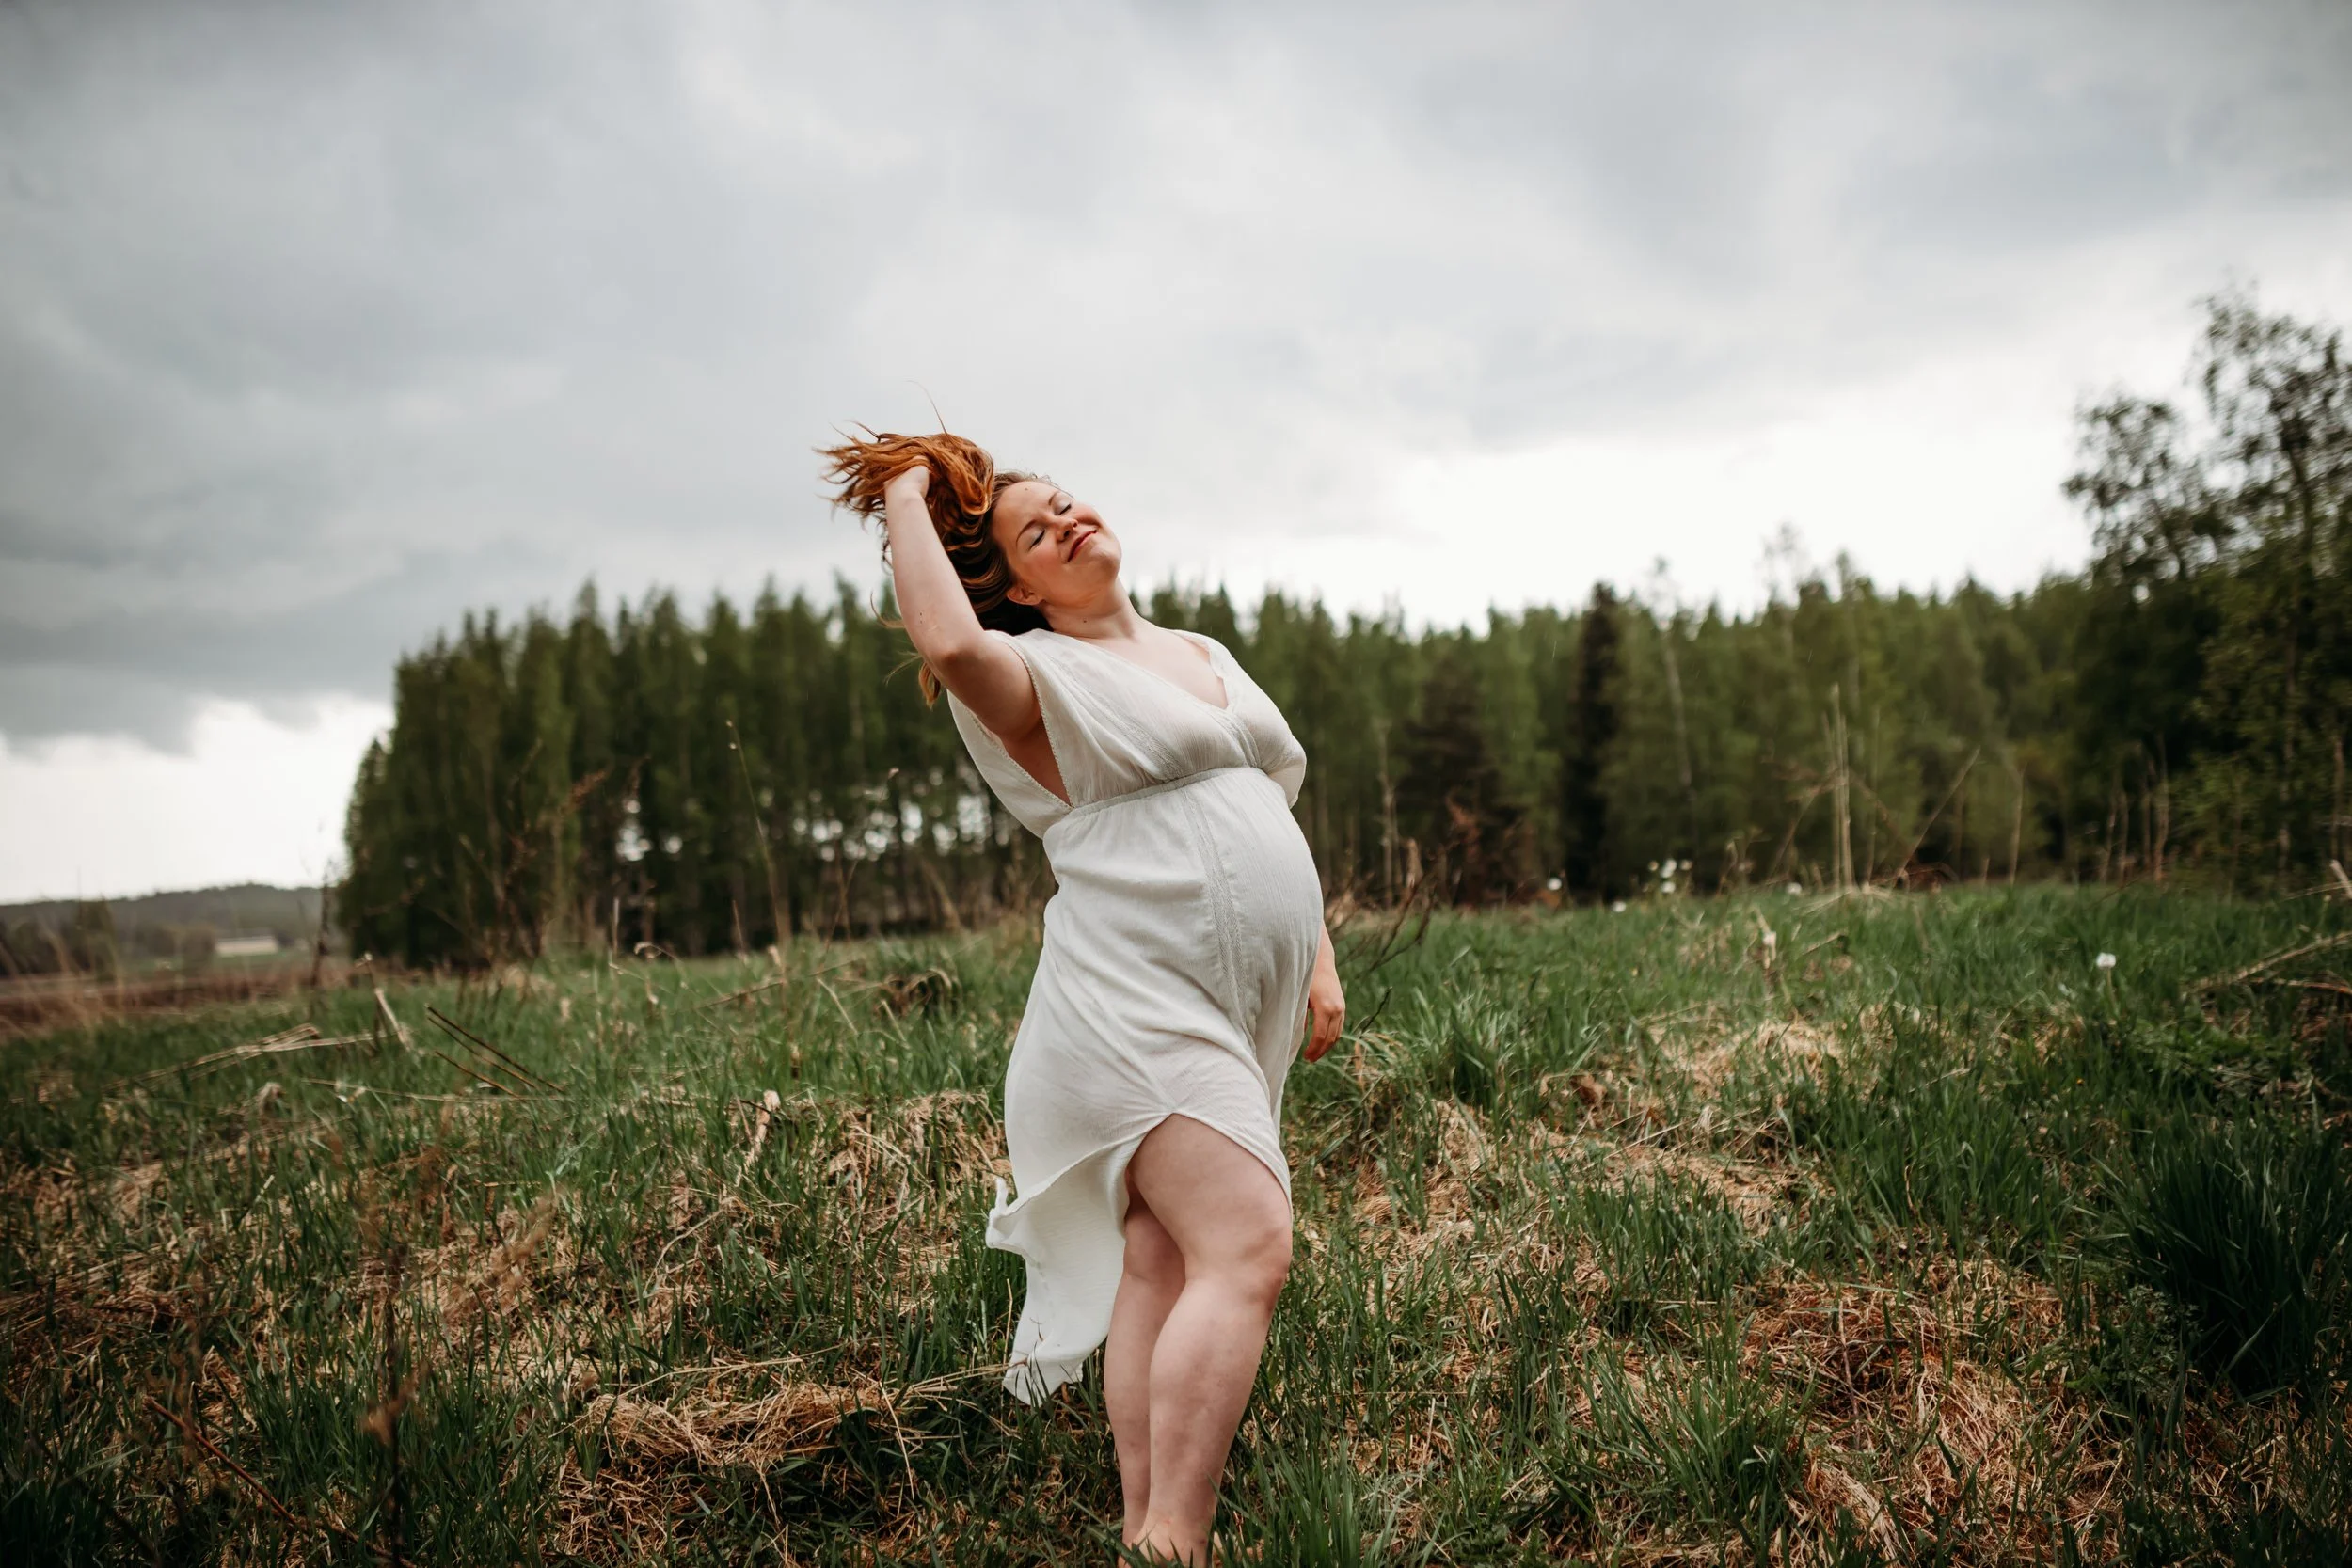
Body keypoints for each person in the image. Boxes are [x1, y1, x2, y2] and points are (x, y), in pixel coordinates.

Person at [822, 431, 1345, 1563]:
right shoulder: (1036, 680)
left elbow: (1262, 799)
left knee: (1163, 1253)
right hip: (1129, 1008)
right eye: (1033, 530)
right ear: (1016, 583)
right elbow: (950, 641)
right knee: (1247, 1244)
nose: (1066, 521)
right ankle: (1178, 1539)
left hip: (1225, 1002)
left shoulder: (1199, 649)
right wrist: (906, 493)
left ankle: (1140, 1527)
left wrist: (1316, 948)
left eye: (1066, 503)